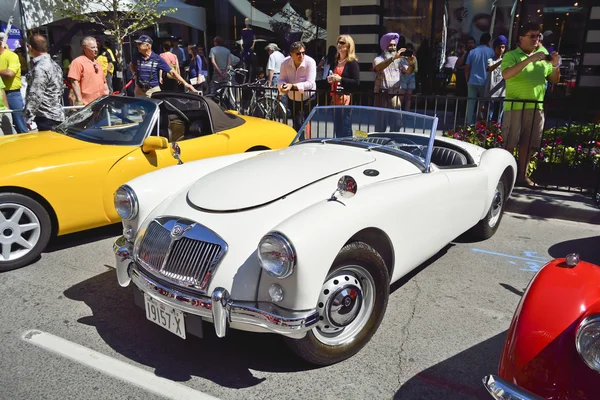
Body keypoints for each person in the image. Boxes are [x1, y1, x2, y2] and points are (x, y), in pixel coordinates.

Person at [501, 22, 560, 187]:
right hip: (515, 107)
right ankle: (505, 178)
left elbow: (554, 79)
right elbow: (506, 74)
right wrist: (529, 60)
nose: (536, 39)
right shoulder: (511, 55)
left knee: (528, 145)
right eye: (532, 36)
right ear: (521, 38)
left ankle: (522, 176)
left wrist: (555, 65)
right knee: (509, 144)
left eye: (538, 36)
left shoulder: (543, 55)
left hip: (536, 108)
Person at [372, 32, 415, 132]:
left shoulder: (400, 61)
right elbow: (378, 67)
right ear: (385, 46)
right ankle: (379, 145)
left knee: (397, 124)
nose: (393, 47)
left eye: (394, 45)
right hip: (381, 96)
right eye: (390, 45)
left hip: (394, 95)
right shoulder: (378, 59)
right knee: (380, 126)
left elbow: (408, 71)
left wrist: (412, 64)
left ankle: (392, 143)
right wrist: (393, 58)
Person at [130, 35, 195, 98]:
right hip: (139, 90)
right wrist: (134, 74)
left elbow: (172, 72)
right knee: (138, 109)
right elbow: (131, 65)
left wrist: (185, 84)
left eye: (139, 44)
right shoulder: (137, 57)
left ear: (148, 46)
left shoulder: (157, 58)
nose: (137, 46)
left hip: (152, 91)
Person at [24, 34, 65, 131]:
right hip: (57, 113)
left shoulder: (40, 68)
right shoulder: (55, 65)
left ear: (30, 48)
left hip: (46, 117)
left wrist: (28, 117)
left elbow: (35, 94)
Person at [278, 41, 316, 134]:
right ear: (291, 54)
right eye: (298, 53)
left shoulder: (310, 62)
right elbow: (281, 79)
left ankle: (307, 144)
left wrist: (292, 86)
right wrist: (282, 86)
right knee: (296, 125)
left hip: (308, 98)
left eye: (303, 53)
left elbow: (310, 83)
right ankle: (298, 144)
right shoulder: (285, 63)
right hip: (293, 98)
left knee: (306, 125)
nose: (301, 55)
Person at [327, 34, 360, 137]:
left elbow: (356, 82)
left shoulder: (352, 63)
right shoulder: (335, 62)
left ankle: (347, 146)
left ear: (348, 46)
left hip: (345, 99)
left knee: (345, 127)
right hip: (334, 99)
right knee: (337, 127)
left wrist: (340, 79)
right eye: (338, 42)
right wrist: (329, 79)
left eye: (342, 43)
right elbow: (330, 75)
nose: (339, 45)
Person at [68, 36, 109, 106]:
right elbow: (74, 82)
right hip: (86, 105)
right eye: (93, 47)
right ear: (84, 48)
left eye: (96, 47)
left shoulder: (97, 63)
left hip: (100, 103)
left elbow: (104, 82)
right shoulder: (78, 62)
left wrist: (107, 94)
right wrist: (79, 101)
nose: (96, 49)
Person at [465, 33, 494, 125]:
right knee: (483, 105)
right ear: (488, 41)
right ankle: (481, 123)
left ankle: (469, 123)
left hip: (472, 80)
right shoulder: (491, 52)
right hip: (485, 81)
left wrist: (467, 80)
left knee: (470, 104)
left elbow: (467, 67)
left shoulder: (472, 52)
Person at [0, 41, 27, 132]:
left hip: (12, 94)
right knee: (6, 127)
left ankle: (26, 143)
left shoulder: (11, 56)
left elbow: (10, 73)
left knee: (20, 125)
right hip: (1, 94)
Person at [486, 35, 507, 122]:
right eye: (499, 47)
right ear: (495, 48)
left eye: (503, 47)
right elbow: (490, 68)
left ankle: (496, 129)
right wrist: (501, 61)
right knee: (490, 114)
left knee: (499, 114)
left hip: (502, 92)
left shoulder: (507, 61)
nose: (501, 49)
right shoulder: (491, 60)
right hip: (492, 91)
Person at [399, 42, 418, 112]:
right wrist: (403, 70)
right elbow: (399, 68)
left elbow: (416, 69)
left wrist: (411, 65)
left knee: (409, 97)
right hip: (403, 78)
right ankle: (399, 112)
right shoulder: (402, 58)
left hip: (411, 78)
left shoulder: (414, 58)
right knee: (401, 97)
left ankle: (407, 112)